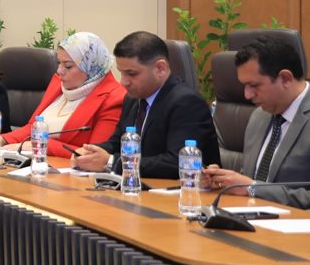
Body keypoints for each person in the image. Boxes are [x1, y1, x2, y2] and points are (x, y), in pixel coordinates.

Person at [72, 31, 218, 177]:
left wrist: (112, 162)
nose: (123, 82)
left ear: (160, 68)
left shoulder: (187, 103)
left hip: (181, 189)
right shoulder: (133, 98)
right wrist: (89, 153)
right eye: (122, 73)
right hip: (138, 185)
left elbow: (178, 162)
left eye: (132, 74)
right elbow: (116, 143)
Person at [202, 35, 310, 209]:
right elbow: (250, 178)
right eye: (244, 86)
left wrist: (252, 188)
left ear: (285, 78)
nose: (247, 95)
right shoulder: (259, 116)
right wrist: (223, 181)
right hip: (248, 214)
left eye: (254, 85)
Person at [0, 32, 125, 157]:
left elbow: (93, 155)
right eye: (59, 63)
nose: (59, 71)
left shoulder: (113, 98)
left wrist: (40, 145)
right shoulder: (59, 85)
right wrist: (1, 139)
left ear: (91, 67)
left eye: (68, 66)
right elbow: (33, 127)